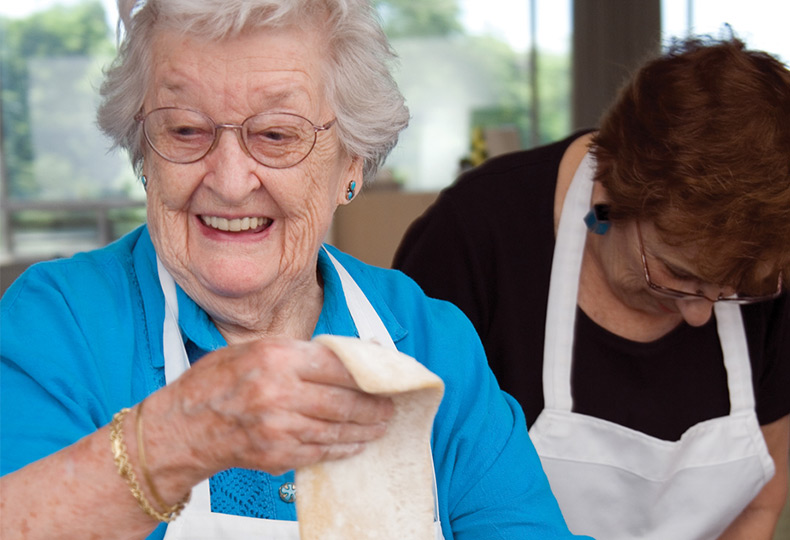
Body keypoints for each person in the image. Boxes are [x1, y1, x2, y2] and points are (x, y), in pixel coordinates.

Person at [0, 1, 589, 539]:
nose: (230, 182)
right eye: (185, 129)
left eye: (277, 135)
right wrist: (180, 434)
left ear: (350, 164)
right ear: (144, 151)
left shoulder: (431, 342)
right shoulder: (59, 324)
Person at [394, 35, 790, 540]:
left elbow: (757, 506)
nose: (699, 317)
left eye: (732, 291)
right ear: (607, 194)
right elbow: (406, 488)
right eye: (676, 275)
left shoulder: (767, 262)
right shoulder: (476, 235)